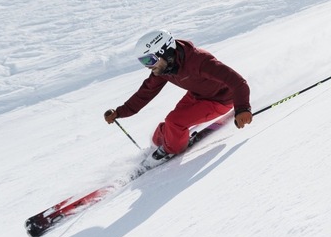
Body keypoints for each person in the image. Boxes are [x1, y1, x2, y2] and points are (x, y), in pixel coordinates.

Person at [104, 29, 253, 159]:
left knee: (175, 121)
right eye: (144, 62)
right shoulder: (163, 69)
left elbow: (238, 82)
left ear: (165, 51)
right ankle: (167, 141)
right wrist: (119, 112)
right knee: (162, 133)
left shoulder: (199, 61)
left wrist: (242, 109)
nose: (148, 66)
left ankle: (171, 149)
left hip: (220, 100)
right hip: (196, 95)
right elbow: (146, 92)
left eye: (150, 60)